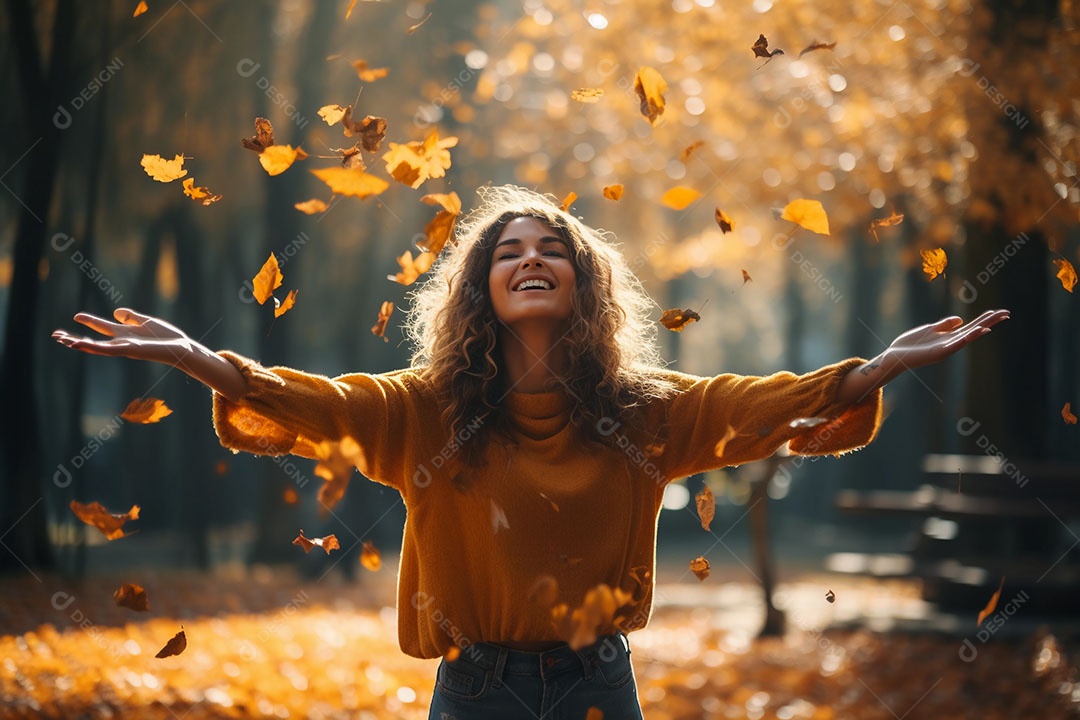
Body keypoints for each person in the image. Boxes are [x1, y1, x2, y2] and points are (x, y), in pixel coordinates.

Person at [53, 185, 1008, 719]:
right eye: (506, 251)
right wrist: (202, 361)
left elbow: (749, 405)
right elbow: (321, 403)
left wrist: (874, 369)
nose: (529, 258)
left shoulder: (641, 414)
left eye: (552, 247)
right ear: (482, 287)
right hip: (473, 690)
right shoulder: (425, 415)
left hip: (600, 685)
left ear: (584, 282)